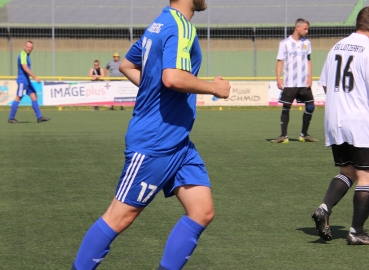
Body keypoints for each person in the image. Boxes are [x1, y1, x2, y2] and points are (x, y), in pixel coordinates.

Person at [71, 0, 230, 269]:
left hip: (178, 142)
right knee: (119, 217)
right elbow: (172, 78)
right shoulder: (181, 27)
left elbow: (127, 66)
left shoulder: (159, 23)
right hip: (154, 141)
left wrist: (156, 92)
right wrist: (214, 88)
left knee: (202, 211)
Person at [311, 6, 369, 245]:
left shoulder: (338, 46)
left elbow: (325, 85)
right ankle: (356, 232)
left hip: (335, 119)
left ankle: (324, 208)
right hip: (360, 120)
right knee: (365, 175)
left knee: (348, 171)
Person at [271, 18, 317, 143]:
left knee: (311, 106)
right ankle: (283, 136)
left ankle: (304, 134)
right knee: (286, 106)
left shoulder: (306, 42)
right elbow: (280, 61)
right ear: (297, 27)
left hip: (303, 82)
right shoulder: (285, 43)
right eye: (305, 28)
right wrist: (278, 79)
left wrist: (310, 77)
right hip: (290, 82)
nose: (307, 31)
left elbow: (308, 59)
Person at [8, 41, 50, 123]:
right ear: (24, 46)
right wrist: (35, 77)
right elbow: (25, 68)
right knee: (18, 97)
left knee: (34, 96)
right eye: (28, 46)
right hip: (23, 81)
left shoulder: (27, 56)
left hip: (27, 81)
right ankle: (11, 118)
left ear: (32, 48)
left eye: (31, 47)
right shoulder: (23, 54)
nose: (29, 48)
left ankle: (39, 117)